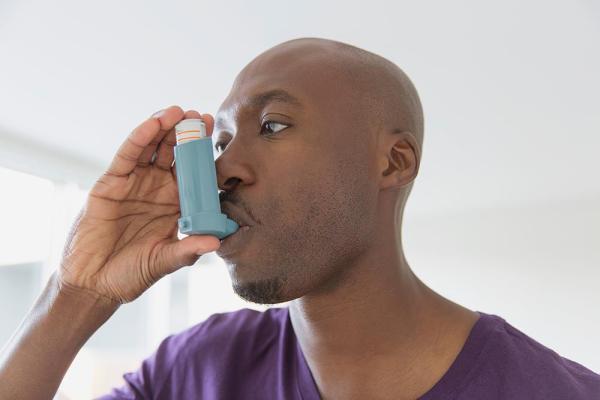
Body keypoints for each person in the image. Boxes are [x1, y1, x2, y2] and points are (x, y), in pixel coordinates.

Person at [1, 37, 598, 400]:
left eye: (274, 126)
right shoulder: (195, 372)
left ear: (392, 161)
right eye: (221, 142)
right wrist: (75, 294)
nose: (222, 169)